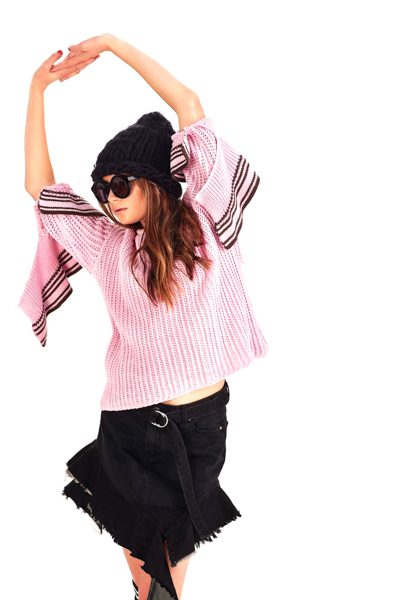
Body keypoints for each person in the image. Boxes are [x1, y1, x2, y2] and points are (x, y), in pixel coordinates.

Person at [20, 33, 268, 600]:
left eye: (119, 184)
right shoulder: (109, 245)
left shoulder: (207, 222)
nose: (108, 198)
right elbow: (40, 188)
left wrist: (114, 45)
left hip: (199, 426)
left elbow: (189, 106)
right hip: (131, 427)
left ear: (155, 183)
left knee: (165, 574)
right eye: (101, 189)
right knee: (149, 582)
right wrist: (37, 89)